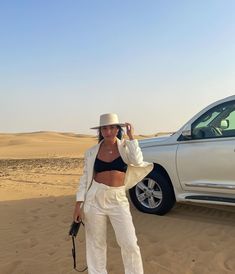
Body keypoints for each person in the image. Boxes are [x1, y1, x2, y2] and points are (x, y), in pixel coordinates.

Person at [73, 113, 153, 274]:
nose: (108, 131)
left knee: (129, 243)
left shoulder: (125, 147)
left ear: (118, 129)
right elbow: (85, 178)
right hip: (95, 197)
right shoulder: (91, 152)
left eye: (111, 127)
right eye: (104, 128)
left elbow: (137, 161)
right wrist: (78, 204)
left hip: (117, 198)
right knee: (96, 243)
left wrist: (131, 138)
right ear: (100, 131)